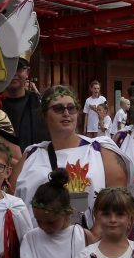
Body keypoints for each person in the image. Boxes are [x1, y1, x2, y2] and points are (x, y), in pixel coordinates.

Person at [12, 86, 128, 221]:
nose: (66, 113)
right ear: (44, 115)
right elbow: (13, 204)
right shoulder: (30, 155)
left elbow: (119, 204)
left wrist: (93, 236)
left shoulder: (101, 151)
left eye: (71, 108)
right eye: (58, 108)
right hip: (36, 240)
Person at [0, 58, 48, 152]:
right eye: (8, 68)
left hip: (34, 163)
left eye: (18, 68)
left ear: (27, 72)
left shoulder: (41, 104)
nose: (13, 73)